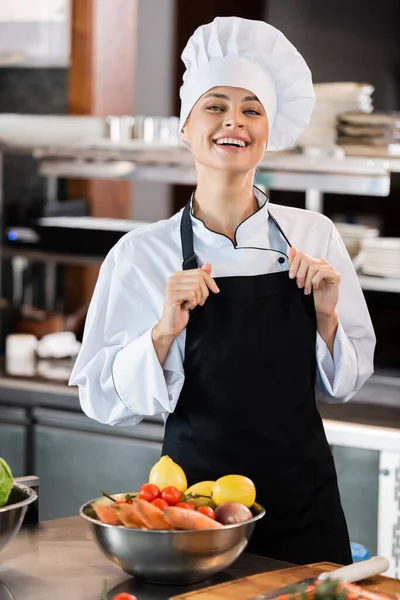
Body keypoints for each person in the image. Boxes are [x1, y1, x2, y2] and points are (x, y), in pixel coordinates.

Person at [69, 16, 376, 565]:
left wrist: (326, 318)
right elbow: (99, 398)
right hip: (193, 515)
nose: (234, 121)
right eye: (216, 105)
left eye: (251, 109)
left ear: (269, 130)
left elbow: (345, 384)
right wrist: (161, 333)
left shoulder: (314, 236)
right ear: (186, 125)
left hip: (304, 505)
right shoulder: (141, 255)